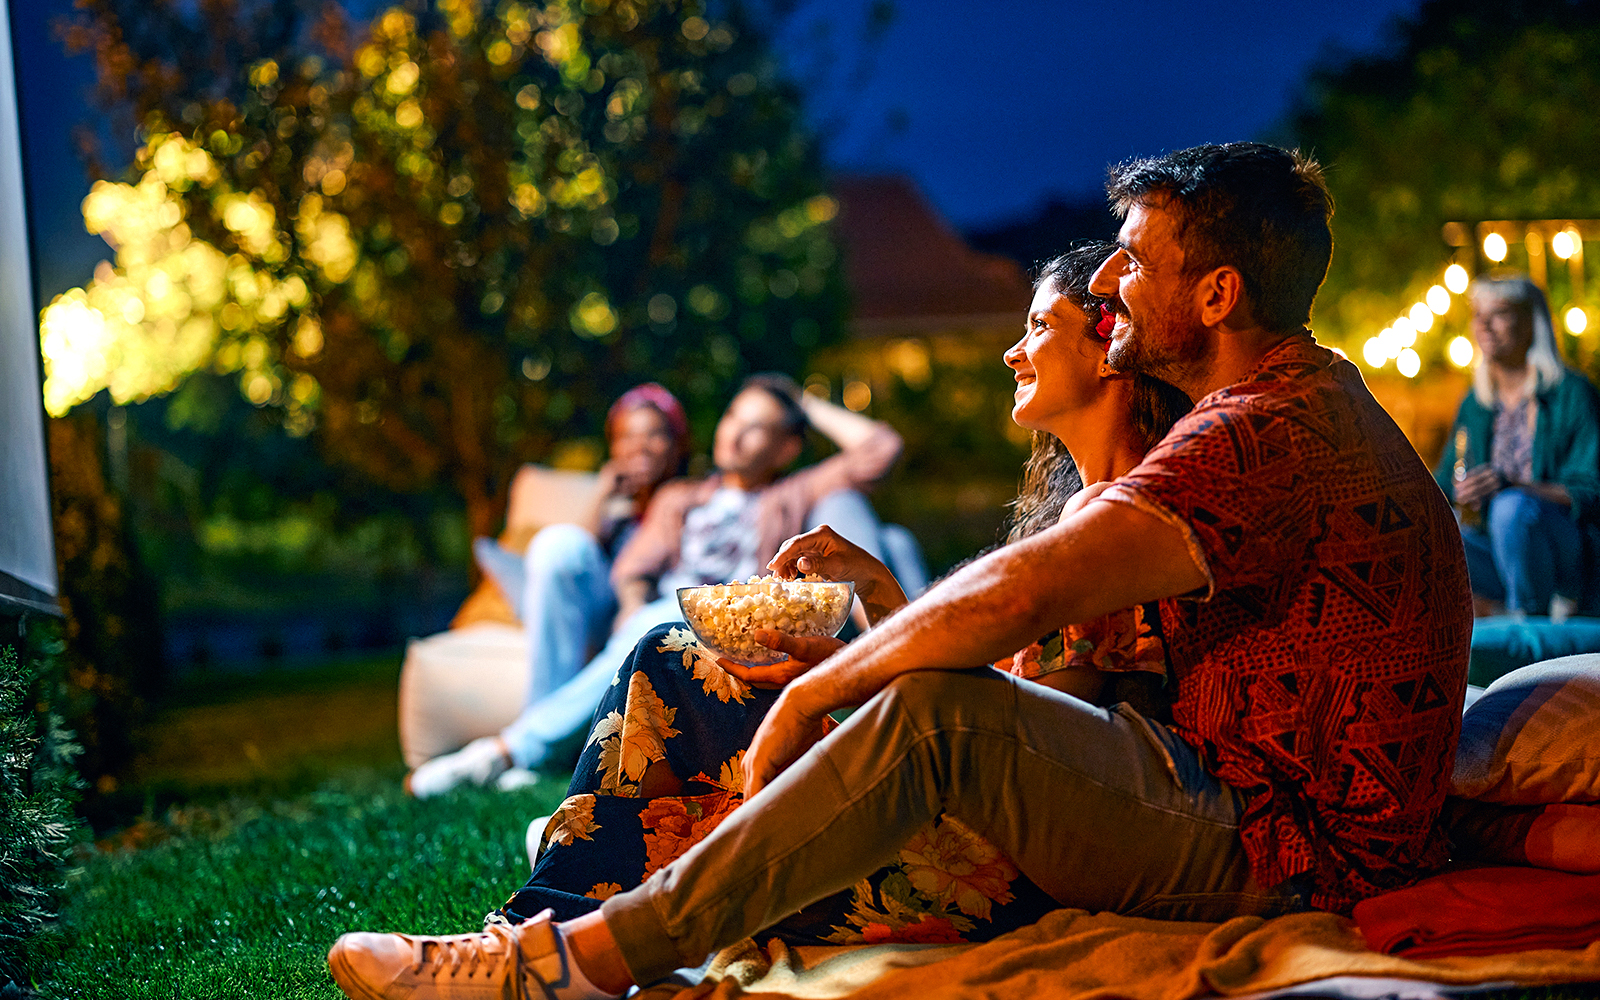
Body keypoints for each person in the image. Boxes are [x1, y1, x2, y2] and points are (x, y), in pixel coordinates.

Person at [328, 143, 1474, 1000]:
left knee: (926, 719)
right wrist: (860, 636)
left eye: (1136, 261)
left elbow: (1029, 605)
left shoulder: (1266, 428)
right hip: (1224, 799)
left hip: (1274, 847)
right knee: (711, 662)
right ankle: (561, 915)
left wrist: (825, 688)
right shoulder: (1271, 408)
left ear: (1217, 295)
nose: (1112, 282)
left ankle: (571, 960)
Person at [484, 244, 1192, 940]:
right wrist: (879, 594)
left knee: (671, 661)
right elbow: (984, 707)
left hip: (986, 862)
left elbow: (1031, 741)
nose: (1013, 352)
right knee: (673, 657)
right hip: (958, 797)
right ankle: (567, 887)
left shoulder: (1117, 523)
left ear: (1111, 346)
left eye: (1039, 327)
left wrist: (841, 679)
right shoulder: (1088, 509)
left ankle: (544, 916)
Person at [406, 374, 904, 797]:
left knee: (657, 619)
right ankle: (531, 746)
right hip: (658, 612)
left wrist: (804, 401)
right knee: (647, 616)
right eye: (732, 418)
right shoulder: (680, 498)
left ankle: (508, 751)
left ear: (787, 447)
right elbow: (634, 568)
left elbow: (882, 450)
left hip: (721, 622)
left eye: (757, 428)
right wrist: (629, 604)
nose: (734, 435)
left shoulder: (793, 493)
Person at [1432, 275, 1600, 621]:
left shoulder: (1572, 394)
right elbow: (1444, 484)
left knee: (1511, 509)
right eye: (1478, 315)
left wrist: (1513, 487)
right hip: (1495, 548)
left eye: (1500, 314)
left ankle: (1528, 625)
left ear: (1531, 324)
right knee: (1434, 535)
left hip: (1564, 550)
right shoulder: (1475, 404)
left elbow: (1591, 491)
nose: (1484, 325)